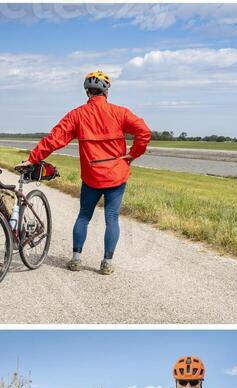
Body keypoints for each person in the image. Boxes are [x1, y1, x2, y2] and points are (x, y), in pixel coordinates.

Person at [25, 70, 151, 275]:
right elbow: (144, 132)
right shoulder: (121, 113)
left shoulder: (77, 115)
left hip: (92, 176)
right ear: (107, 92)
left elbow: (55, 139)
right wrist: (132, 154)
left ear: (87, 93)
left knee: (84, 216)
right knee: (112, 218)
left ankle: (76, 259)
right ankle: (107, 263)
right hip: (116, 175)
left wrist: (33, 158)